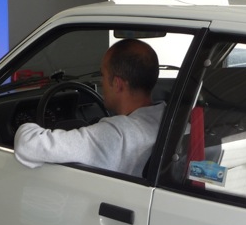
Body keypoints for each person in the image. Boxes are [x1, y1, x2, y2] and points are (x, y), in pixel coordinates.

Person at [14, 38, 165, 177]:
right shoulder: (166, 116)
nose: (101, 82)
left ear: (117, 84)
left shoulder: (116, 135)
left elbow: (28, 146)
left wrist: (26, 127)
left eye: (103, 75)